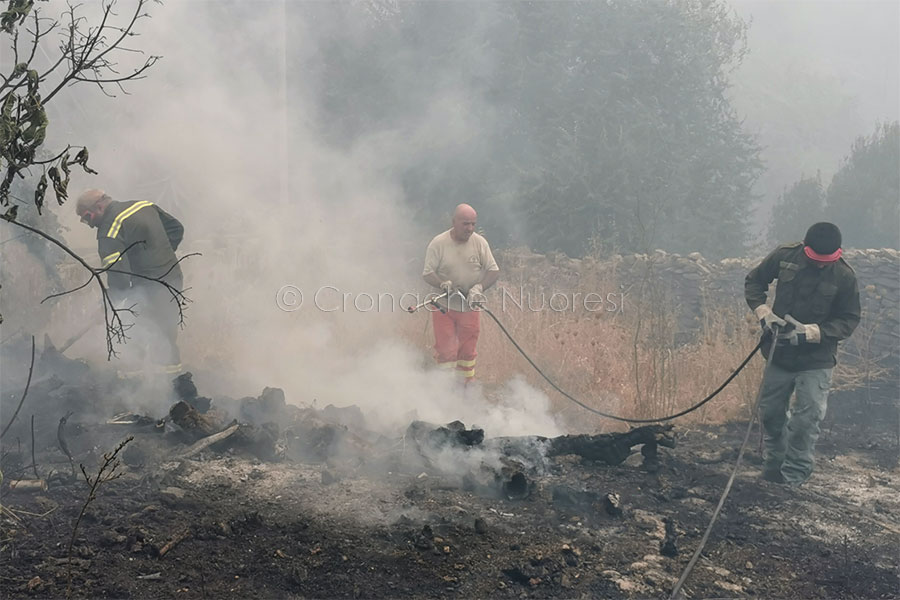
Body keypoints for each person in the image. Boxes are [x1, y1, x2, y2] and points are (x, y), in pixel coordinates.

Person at [745, 222, 860, 486]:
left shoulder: (844, 276)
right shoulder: (785, 256)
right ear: (805, 249)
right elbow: (754, 281)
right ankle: (773, 468)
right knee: (771, 414)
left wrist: (813, 332)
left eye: (826, 262)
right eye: (815, 260)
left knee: (806, 419)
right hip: (778, 352)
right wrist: (763, 312)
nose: (821, 265)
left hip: (816, 359)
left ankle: (794, 477)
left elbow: (849, 319)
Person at [75, 189, 185, 376]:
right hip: (173, 277)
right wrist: (158, 254)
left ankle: (139, 386)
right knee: (166, 333)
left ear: (99, 207)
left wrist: (108, 304)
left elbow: (119, 279)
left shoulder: (109, 232)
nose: (90, 225)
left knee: (136, 336)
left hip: (149, 288)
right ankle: (175, 386)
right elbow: (176, 229)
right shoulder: (143, 205)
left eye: (87, 217)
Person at [422, 204, 500, 382]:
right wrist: (442, 284)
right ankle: (444, 389)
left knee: (467, 352)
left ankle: (465, 391)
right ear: (454, 222)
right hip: (444, 308)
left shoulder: (479, 242)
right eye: (466, 224)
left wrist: (479, 288)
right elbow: (427, 273)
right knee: (446, 352)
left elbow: (493, 271)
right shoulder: (438, 243)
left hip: (469, 308)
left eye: (473, 224)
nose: (470, 229)